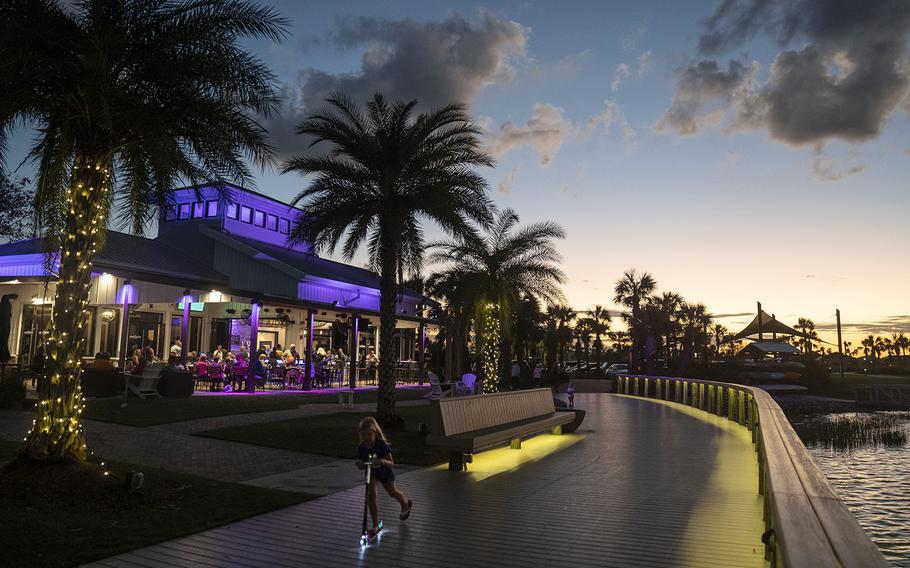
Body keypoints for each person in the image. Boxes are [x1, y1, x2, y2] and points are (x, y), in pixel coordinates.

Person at [356, 417, 412, 540]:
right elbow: (361, 462)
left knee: (392, 492)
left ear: (375, 433)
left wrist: (382, 461)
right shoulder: (362, 447)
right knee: (371, 496)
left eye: (369, 434)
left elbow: (392, 463)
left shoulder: (381, 445)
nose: (366, 438)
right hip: (371, 473)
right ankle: (376, 525)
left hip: (384, 472)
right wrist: (360, 464)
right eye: (363, 435)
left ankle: (405, 503)